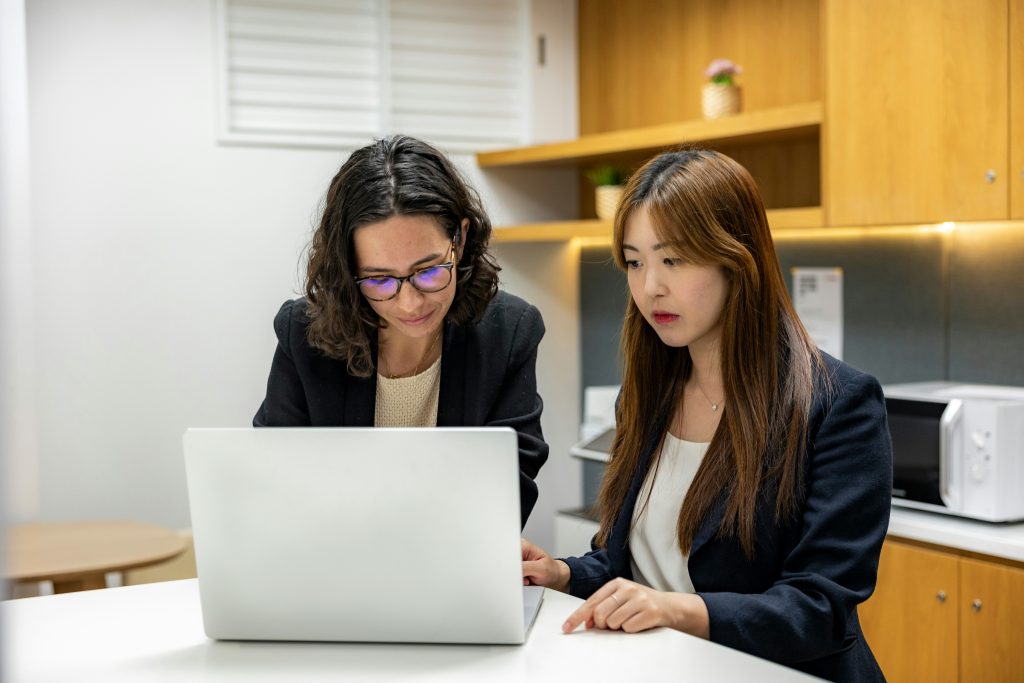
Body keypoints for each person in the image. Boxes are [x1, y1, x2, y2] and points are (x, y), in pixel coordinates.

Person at [522, 148, 891, 681]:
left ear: (735, 259)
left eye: (673, 260)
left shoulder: (838, 405)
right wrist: (560, 573)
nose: (651, 287)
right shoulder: (648, 395)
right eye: (634, 261)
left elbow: (820, 609)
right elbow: (624, 564)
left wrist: (675, 610)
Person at [254, 135, 548, 526]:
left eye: (428, 272)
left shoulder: (509, 333)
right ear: (348, 269)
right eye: (379, 280)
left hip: (451, 567)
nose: (410, 303)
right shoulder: (303, 335)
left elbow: (506, 496)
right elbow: (272, 482)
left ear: (458, 240)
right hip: (327, 565)